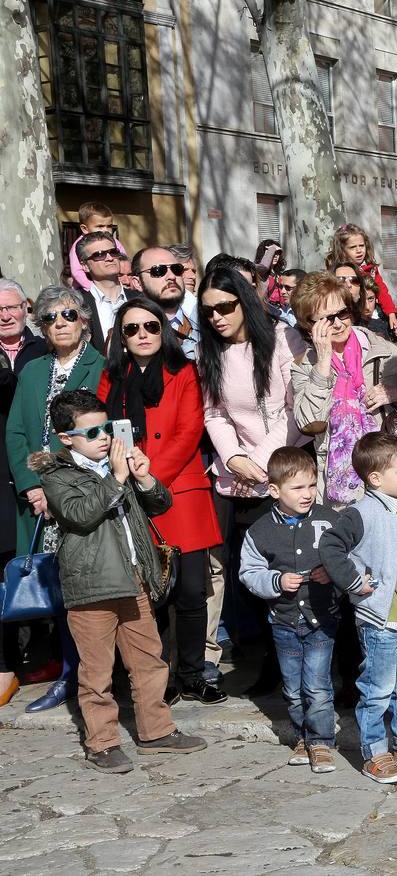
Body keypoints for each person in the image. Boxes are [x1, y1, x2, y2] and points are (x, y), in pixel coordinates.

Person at [33, 389, 207, 772]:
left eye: (107, 428)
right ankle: (102, 742)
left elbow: (159, 504)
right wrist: (117, 477)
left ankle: (156, 731)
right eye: (92, 433)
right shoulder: (57, 475)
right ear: (66, 438)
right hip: (91, 586)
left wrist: (143, 479)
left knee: (149, 661)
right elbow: (79, 514)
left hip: (134, 578)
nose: (105, 438)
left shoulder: (119, 464)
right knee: (96, 672)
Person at [98, 298, 226, 705]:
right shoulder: (110, 376)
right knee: (151, 597)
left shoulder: (184, 371)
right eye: (132, 329)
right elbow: (103, 429)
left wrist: (152, 474)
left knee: (190, 591)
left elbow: (190, 431)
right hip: (132, 495)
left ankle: (193, 674)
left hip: (178, 491)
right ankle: (160, 677)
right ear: (121, 336)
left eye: (151, 327)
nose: (143, 335)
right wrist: (128, 471)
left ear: (163, 330)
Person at [198, 255, 307, 695]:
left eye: (225, 306)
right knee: (244, 572)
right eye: (208, 310)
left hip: (282, 466)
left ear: (244, 302)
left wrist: (257, 462)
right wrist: (233, 459)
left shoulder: (283, 339)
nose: (217, 317)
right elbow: (214, 413)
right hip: (233, 474)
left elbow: (295, 410)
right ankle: (259, 656)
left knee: (285, 569)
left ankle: (289, 664)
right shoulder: (212, 353)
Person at [318, 433, 397, 784]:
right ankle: (374, 752)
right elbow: (330, 547)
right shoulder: (362, 513)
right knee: (377, 688)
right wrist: (354, 582)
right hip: (380, 621)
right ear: (375, 478)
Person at [6, 286, 105, 713]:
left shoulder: (101, 366)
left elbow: (96, 432)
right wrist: (32, 484)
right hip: (39, 503)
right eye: (49, 318)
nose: (60, 323)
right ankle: (68, 674)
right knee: (58, 591)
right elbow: (15, 432)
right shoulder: (32, 371)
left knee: (90, 589)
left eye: (68, 315)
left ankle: (98, 677)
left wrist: (57, 485)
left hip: (82, 494)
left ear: (83, 319)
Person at [239, 447, 341, 774]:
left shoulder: (331, 520)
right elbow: (249, 572)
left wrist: (333, 572)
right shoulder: (259, 530)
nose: (307, 494)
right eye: (297, 488)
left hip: (321, 620)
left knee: (317, 685)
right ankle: (302, 737)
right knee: (293, 688)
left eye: (312, 486)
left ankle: (322, 741)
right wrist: (276, 580)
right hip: (282, 621)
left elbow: (352, 558)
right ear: (274, 490)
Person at [290, 272, 397, 507]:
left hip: (389, 479)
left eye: (342, 313)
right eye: (326, 319)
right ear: (309, 324)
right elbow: (308, 422)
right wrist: (322, 363)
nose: (337, 323)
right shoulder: (303, 366)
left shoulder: (384, 351)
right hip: (338, 488)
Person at [0, 279, 47, 708]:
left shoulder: (41, 350)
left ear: (25, 308)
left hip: (38, 478)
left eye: (12, 307)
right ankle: (6, 663)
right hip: (2, 476)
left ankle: (43, 657)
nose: (5, 315)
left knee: (41, 566)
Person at [73, 231, 141, 353]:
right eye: (99, 255)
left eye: (113, 252)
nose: (109, 258)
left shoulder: (140, 300)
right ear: (85, 266)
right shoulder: (77, 305)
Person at [133, 246, 200, 359]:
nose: (171, 276)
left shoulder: (205, 324)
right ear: (138, 283)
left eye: (177, 269)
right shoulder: (128, 331)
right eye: (159, 270)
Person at [325, 223, 397, 320]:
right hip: (345, 316)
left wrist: (391, 313)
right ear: (342, 250)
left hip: (369, 314)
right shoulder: (336, 272)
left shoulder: (370, 269)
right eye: (352, 247)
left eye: (361, 245)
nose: (359, 250)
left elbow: (382, 291)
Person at [67, 201, 127, 291]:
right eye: (100, 226)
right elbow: (77, 272)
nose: (106, 230)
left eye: (109, 226)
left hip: (114, 286)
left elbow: (124, 260)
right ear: (85, 229)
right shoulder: (79, 246)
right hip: (86, 289)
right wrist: (91, 288)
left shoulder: (114, 242)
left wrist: (123, 280)